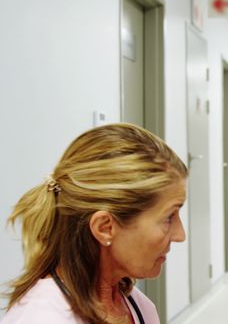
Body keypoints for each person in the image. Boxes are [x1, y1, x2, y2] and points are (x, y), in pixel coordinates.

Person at [1, 123, 188, 324]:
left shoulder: (139, 307)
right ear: (105, 228)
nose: (181, 235)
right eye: (169, 217)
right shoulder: (40, 318)